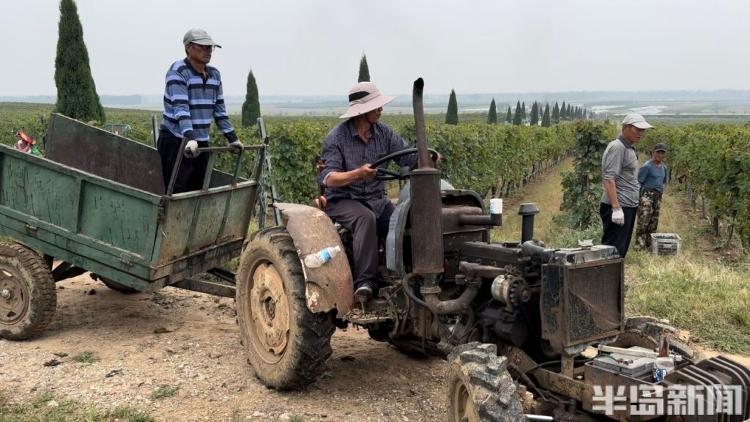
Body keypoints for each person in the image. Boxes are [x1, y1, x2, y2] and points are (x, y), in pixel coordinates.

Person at [317, 81, 419, 302]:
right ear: (361, 111)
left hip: (376, 199)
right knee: (366, 219)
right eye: (376, 106)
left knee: (402, 220)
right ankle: (365, 282)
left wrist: (425, 159)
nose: (381, 109)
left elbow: (408, 157)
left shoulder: (384, 133)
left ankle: (405, 275)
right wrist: (358, 174)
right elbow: (329, 178)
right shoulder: (337, 138)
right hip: (343, 199)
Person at [157, 28, 242, 193]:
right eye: (202, 47)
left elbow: (220, 110)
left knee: (200, 189)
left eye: (210, 47)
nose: (208, 51)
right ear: (188, 47)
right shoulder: (178, 72)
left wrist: (232, 138)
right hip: (177, 140)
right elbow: (181, 108)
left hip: (200, 141)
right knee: (175, 191)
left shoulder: (215, 75)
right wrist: (189, 137)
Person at [600, 113, 653, 258]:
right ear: (626, 128)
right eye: (638, 129)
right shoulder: (618, 147)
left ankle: (616, 279)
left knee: (620, 250)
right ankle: (607, 280)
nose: (641, 133)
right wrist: (616, 208)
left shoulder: (629, 147)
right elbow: (609, 178)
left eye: (643, 130)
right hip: (619, 206)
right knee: (612, 250)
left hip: (627, 205)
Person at [635, 143, 669, 250]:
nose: (660, 154)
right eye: (658, 152)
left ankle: (650, 244)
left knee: (654, 221)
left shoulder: (664, 167)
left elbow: (663, 182)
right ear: (653, 152)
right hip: (647, 195)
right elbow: (639, 182)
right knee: (644, 219)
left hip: (658, 196)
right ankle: (639, 245)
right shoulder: (647, 166)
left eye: (662, 152)